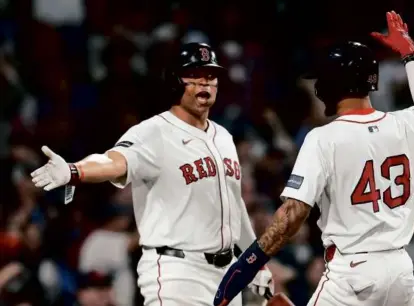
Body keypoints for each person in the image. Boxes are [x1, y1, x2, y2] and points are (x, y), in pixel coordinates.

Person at [213, 11, 414, 306]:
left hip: (354, 275)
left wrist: (246, 265)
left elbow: (293, 215)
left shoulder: (324, 138)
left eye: (322, 80)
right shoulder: (406, 125)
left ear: (336, 83)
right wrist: (410, 54)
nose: (318, 88)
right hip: (399, 272)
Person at [30, 42, 273, 305]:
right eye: (194, 75)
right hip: (177, 273)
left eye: (211, 75)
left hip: (227, 274)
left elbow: (235, 207)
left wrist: (255, 262)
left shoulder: (224, 137)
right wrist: (74, 170)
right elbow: (114, 161)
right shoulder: (153, 132)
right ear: (173, 81)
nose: (205, 83)